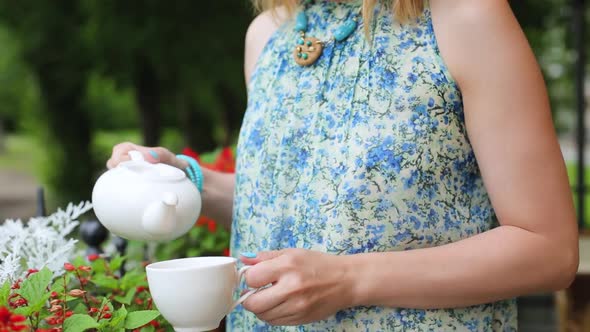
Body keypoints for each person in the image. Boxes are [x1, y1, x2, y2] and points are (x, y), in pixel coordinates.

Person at [106, 0, 579, 330]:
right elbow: (300, 203)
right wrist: (184, 180)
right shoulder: (270, 34)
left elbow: (547, 249)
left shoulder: (467, 18)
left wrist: (351, 279)